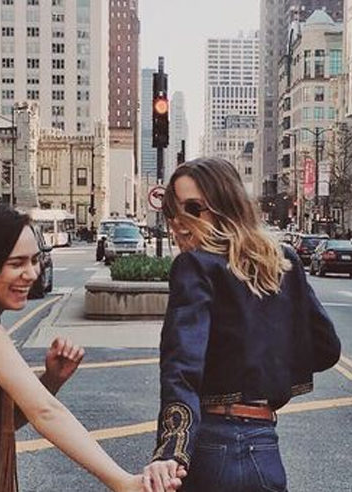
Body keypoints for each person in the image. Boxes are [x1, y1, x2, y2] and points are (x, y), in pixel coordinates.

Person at [0, 205, 184, 492]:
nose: (32, 273)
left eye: (35, 260)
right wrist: (123, 482)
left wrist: (52, 379)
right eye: (16, 264)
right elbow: (45, 411)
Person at [142, 158, 341, 492]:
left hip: (212, 448)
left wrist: (171, 450)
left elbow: (182, 365)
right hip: (264, 450)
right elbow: (326, 349)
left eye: (194, 208)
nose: (179, 222)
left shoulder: (194, 265)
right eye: (172, 211)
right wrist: (264, 371)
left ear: (225, 205)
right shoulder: (283, 261)